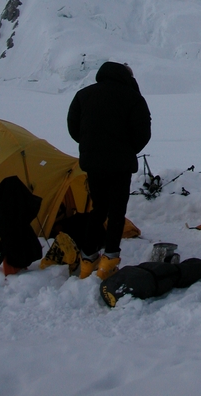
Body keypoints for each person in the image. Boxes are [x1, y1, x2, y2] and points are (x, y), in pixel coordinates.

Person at [67, 61, 151, 280]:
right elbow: (143, 131)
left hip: (93, 162)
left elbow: (74, 127)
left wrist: (90, 146)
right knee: (116, 212)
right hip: (120, 164)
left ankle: (87, 260)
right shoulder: (132, 98)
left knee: (98, 209)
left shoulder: (83, 95)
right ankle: (109, 261)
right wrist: (128, 149)